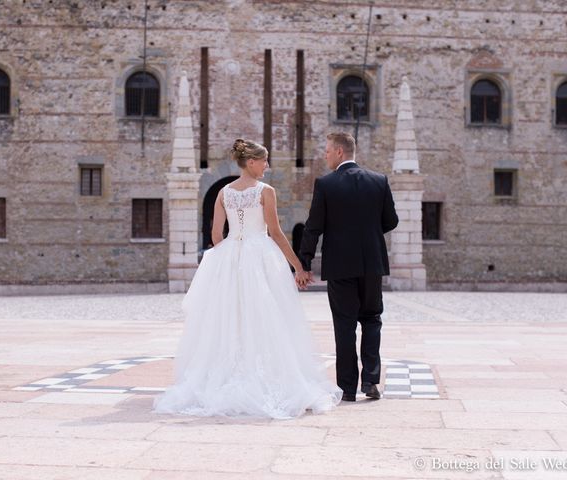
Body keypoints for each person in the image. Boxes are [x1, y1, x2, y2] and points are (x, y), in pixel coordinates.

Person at [153, 139, 341, 419]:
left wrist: (229, 256)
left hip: (230, 258)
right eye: (264, 161)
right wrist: (298, 268)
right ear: (251, 162)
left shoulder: (223, 193)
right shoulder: (266, 192)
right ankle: (263, 378)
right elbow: (276, 234)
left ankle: (227, 376)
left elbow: (216, 235)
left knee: (230, 319)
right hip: (261, 257)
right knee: (267, 318)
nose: (267, 165)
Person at [300, 132, 399, 402]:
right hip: (372, 263)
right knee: (372, 319)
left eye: (328, 151)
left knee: (344, 325)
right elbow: (391, 221)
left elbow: (313, 227)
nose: (326, 155)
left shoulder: (325, 184)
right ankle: (370, 379)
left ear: (340, 153)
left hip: (340, 264)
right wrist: (368, 233)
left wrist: (304, 263)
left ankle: (347, 388)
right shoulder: (379, 181)